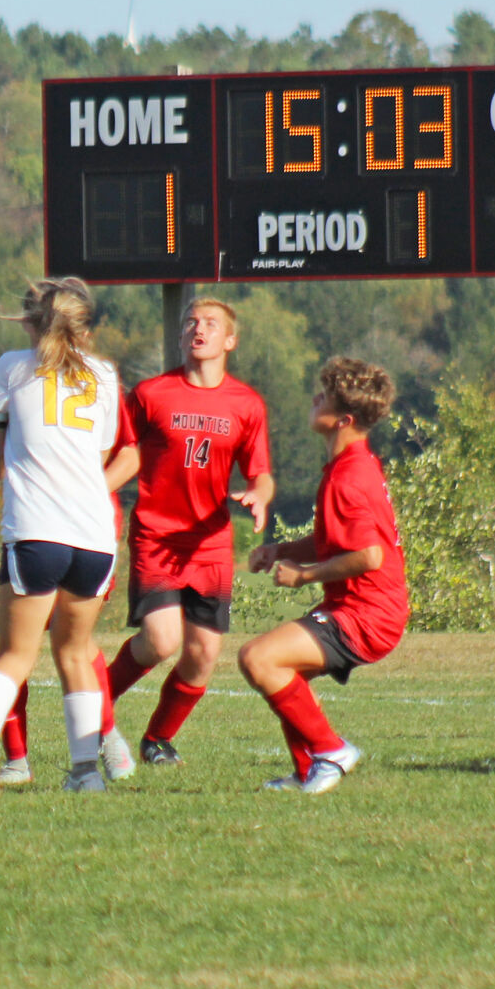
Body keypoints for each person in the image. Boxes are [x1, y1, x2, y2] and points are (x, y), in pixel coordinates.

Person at [0, 278, 122, 796]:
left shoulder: (13, 366)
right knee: (75, 654)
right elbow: (96, 460)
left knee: (14, 656)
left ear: (31, 322)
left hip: (36, 532)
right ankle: (85, 773)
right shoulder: (105, 375)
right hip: (95, 536)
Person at [106, 297, 274, 763]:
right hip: (157, 537)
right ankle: (95, 706)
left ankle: (157, 740)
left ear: (230, 340)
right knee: (161, 641)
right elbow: (123, 451)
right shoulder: (150, 394)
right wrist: (97, 490)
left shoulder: (247, 404)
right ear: (182, 336)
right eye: (191, 322)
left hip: (210, 545)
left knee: (202, 656)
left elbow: (260, 472)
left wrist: (260, 494)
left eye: (211, 324)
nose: (199, 329)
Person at [239, 357, 408, 794]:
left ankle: (331, 751)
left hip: (367, 614)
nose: (315, 400)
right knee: (283, 671)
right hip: (363, 607)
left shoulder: (349, 476)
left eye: (324, 397)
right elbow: (338, 539)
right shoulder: (351, 464)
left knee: (259, 659)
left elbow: (368, 556)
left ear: (343, 419)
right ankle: (307, 771)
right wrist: (282, 551)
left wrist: (305, 575)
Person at [0, 400, 140, 787]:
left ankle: (104, 736)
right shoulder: (18, 378)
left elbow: (130, 452)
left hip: (87, 527)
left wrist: (88, 491)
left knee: (73, 641)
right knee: (17, 645)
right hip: (34, 523)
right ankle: (17, 760)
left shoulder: (98, 379)